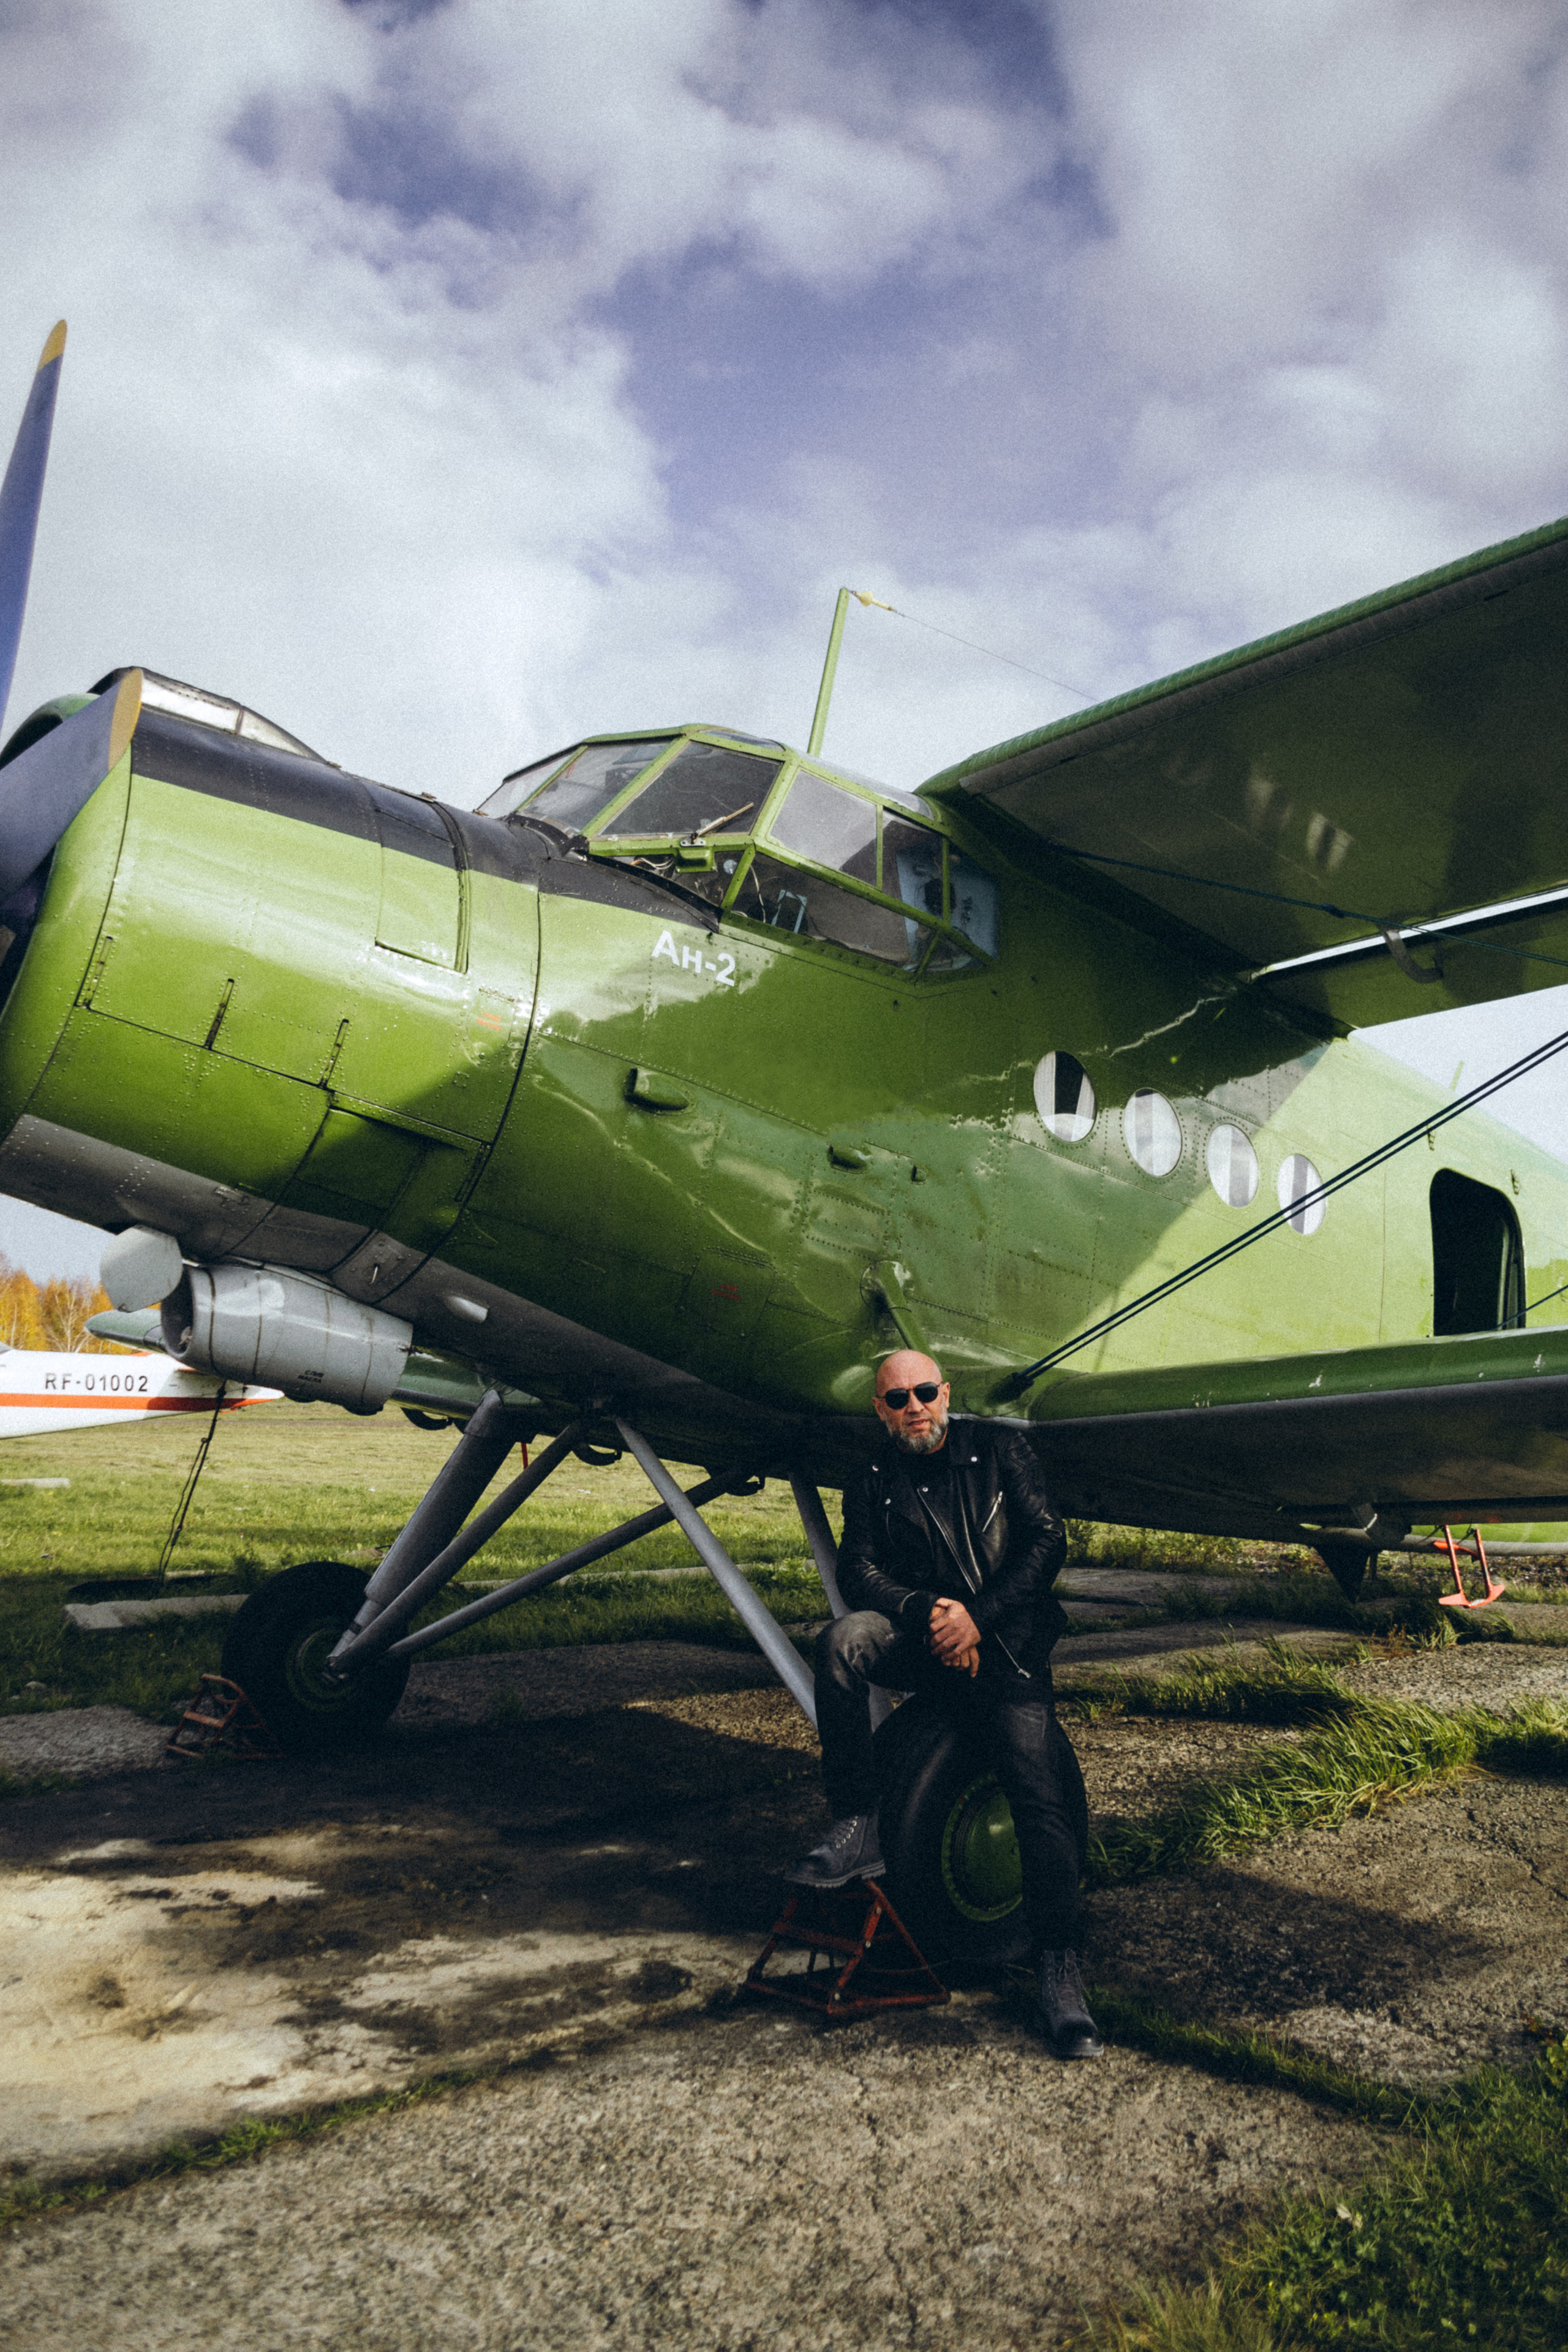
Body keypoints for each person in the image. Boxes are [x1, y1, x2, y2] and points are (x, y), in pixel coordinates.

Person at [786, 1349, 1101, 2059]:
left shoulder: (1000, 1449)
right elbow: (857, 1569)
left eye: (924, 1393)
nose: (914, 1408)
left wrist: (976, 1619)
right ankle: (859, 1819)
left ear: (946, 1393)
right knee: (843, 1640)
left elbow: (1047, 1541)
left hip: (1007, 1645)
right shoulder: (870, 1476)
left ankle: (1058, 1968)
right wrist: (933, 1612)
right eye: (897, 1399)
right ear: (879, 1409)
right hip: (929, 1637)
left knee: (1037, 1792)